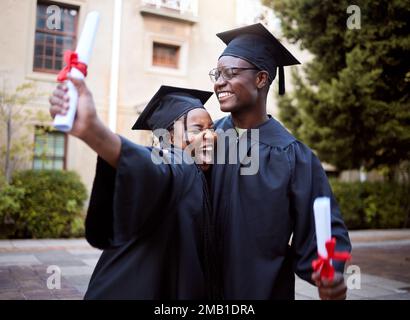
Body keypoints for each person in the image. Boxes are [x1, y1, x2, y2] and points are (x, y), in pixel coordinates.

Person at [208, 23, 352, 300]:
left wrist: (329, 271)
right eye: (217, 73)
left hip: (261, 290)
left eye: (231, 73)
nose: (218, 82)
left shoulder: (294, 156)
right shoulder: (206, 140)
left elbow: (323, 229)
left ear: (261, 79)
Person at [49, 81, 219, 299]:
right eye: (197, 129)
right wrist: (93, 131)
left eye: (211, 128)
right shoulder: (178, 164)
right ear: (168, 138)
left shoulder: (199, 172)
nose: (210, 136)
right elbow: (149, 165)